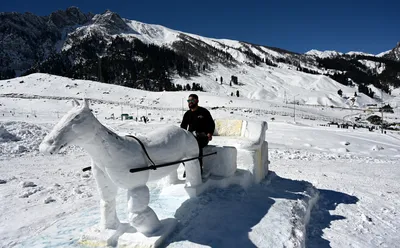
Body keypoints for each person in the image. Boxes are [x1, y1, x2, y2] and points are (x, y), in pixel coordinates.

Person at [180, 94, 215, 177]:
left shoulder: (204, 112)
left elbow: (211, 124)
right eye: (189, 101)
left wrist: (209, 133)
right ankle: (188, 168)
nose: (190, 102)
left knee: (196, 146)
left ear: (197, 101)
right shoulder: (187, 114)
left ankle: (198, 170)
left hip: (202, 137)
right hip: (190, 137)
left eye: (192, 100)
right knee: (181, 149)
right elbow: (183, 127)